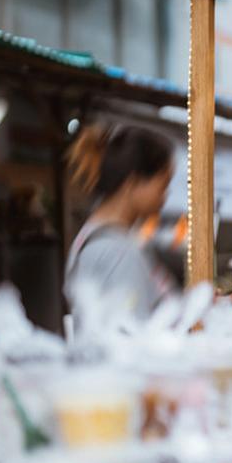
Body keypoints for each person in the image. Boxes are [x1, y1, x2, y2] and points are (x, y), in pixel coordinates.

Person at [65, 123, 177, 320]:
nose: (164, 197)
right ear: (132, 182)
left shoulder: (99, 234)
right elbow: (133, 339)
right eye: (163, 185)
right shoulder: (116, 252)